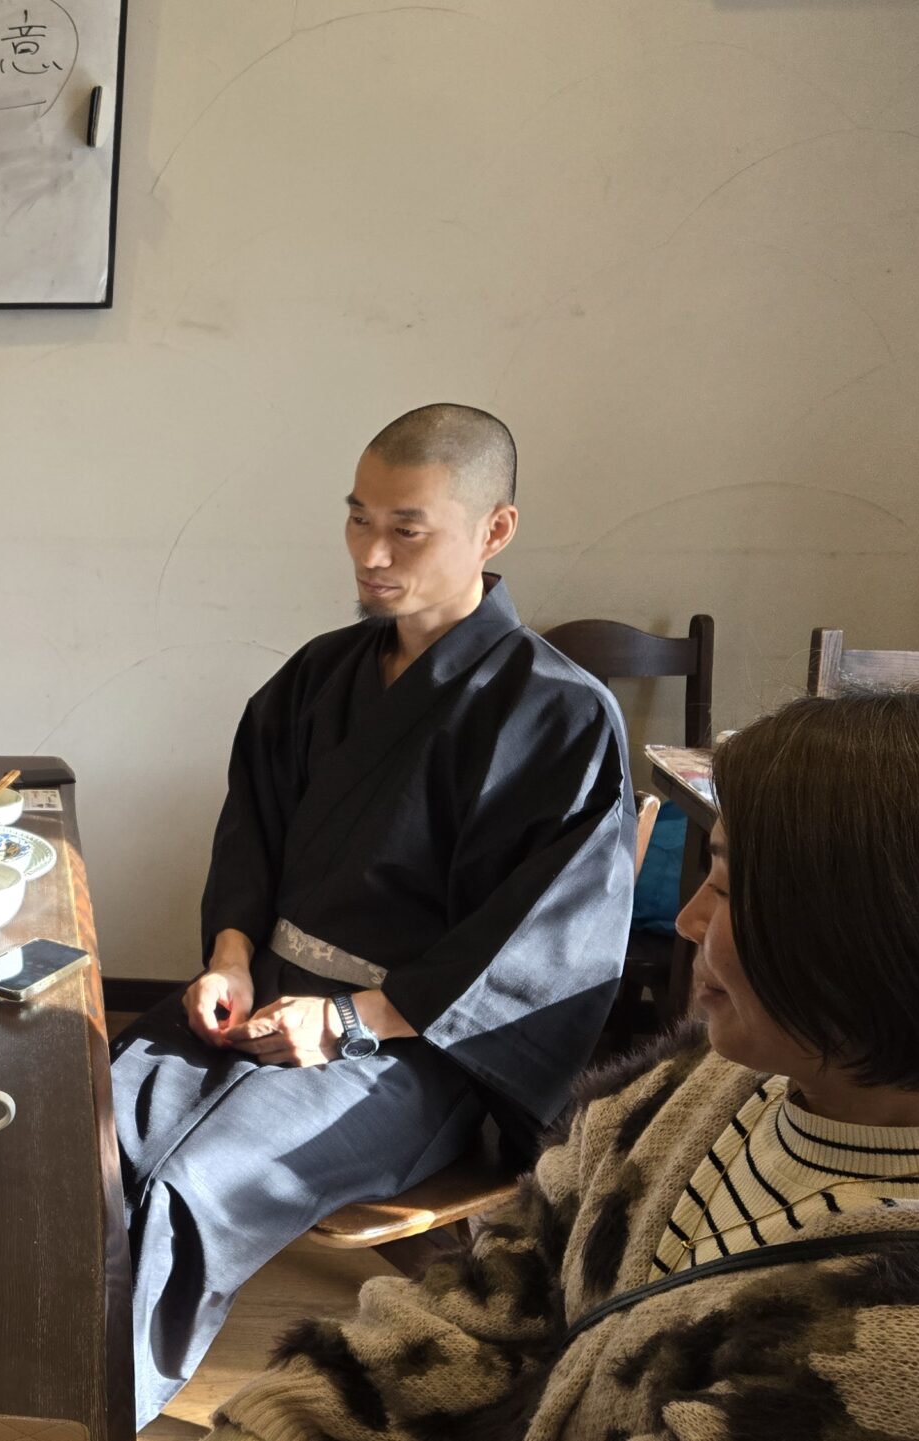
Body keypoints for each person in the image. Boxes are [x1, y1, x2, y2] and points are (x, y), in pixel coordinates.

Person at [216, 686, 919, 1439]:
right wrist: (280, 1417)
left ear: (878, 939)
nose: (686, 921)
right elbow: (483, 1307)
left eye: (728, 886)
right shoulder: (701, 1087)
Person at [112, 403, 636, 1422]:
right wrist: (229, 957)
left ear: (494, 530)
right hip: (262, 996)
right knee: (93, 1133)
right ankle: (25, 1381)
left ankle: (100, 1405)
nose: (371, 554)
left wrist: (352, 1019)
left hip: (416, 1045)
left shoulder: (562, 714)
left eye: (407, 528)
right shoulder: (318, 676)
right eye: (358, 518)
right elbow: (252, 831)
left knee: (191, 1185)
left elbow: (543, 944)